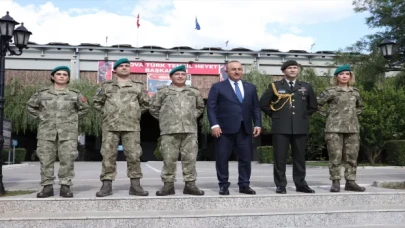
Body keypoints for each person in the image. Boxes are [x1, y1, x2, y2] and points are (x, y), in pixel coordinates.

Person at [26, 66, 89, 198]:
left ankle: (65, 186)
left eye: (65, 74)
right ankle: (47, 187)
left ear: (68, 78)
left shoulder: (74, 94)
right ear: (52, 77)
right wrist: (41, 116)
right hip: (46, 132)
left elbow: (85, 108)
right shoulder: (42, 93)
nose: (61, 76)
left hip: (68, 133)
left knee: (67, 159)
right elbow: (30, 106)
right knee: (45, 160)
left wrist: (73, 119)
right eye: (58, 74)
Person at [93, 58, 149, 197]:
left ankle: (135, 185)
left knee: (134, 155)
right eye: (121, 66)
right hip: (110, 126)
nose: (124, 68)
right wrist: (108, 113)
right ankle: (107, 185)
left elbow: (146, 103)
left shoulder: (138, 86)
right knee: (108, 155)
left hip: (131, 126)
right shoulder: (106, 86)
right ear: (115, 70)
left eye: (127, 66)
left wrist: (134, 113)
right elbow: (97, 102)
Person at [259, 60, 317, 194]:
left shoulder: (306, 86)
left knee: (300, 157)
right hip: (281, 127)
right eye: (290, 68)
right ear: (284, 71)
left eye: (295, 68)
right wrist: (276, 115)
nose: (293, 70)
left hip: (300, 127)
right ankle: (281, 184)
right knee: (280, 157)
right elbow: (263, 104)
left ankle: (301, 184)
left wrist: (302, 116)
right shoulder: (275, 86)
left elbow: (313, 106)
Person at [207, 60, 261, 195]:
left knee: (245, 158)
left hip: (245, 129)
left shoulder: (251, 87)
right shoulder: (218, 87)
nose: (237, 72)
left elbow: (256, 108)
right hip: (224, 129)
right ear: (227, 71)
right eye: (233, 69)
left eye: (239, 69)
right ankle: (223, 185)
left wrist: (258, 123)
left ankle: (244, 185)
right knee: (222, 158)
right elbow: (211, 108)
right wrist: (214, 124)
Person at [149, 65, 205, 196]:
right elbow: (153, 108)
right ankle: (168, 185)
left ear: (186, 76)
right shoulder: (163, 92)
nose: (180, 76)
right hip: (169, 130)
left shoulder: (193, 92)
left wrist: (190, 117)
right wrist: (166, 119)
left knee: (190, 159)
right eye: (177, 74)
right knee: (169, 159)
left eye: (183, 74)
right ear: (171, 77)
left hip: (189, 130)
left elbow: (200, 107)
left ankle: (190, 185)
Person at [317, 64, 366, 192]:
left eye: (347, 74)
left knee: (352, 156)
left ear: (350, 76)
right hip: (334, 129)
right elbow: (317, 105)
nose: (344, 76)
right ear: (336, 77)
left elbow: (361, 107)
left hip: (352, 129)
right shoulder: (330, 91)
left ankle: (351, 181)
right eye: (341, 74)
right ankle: (335, 182)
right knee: (335, 155)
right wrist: (329, 115)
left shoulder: (355, 92)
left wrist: (352, 115)